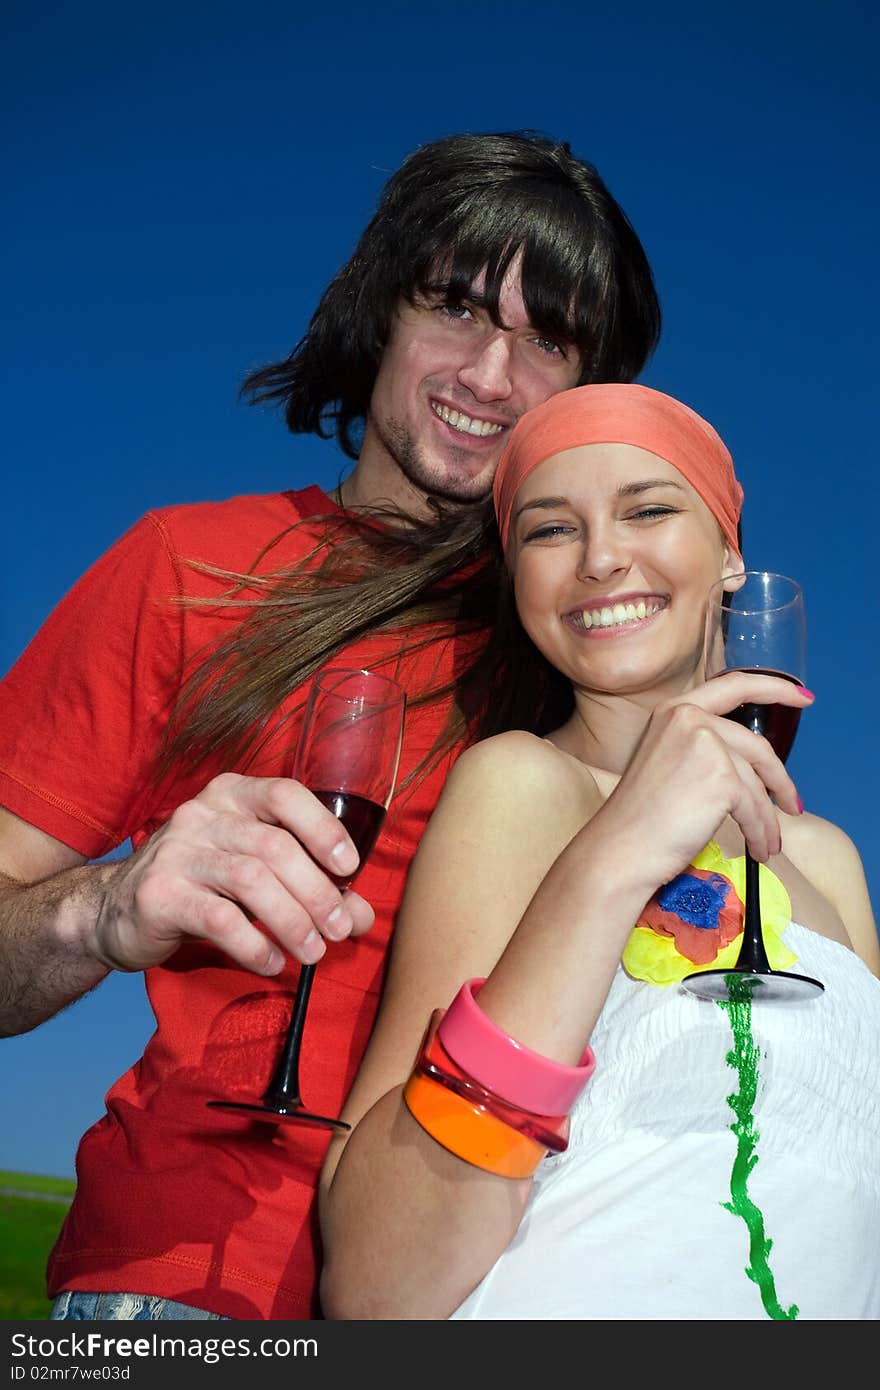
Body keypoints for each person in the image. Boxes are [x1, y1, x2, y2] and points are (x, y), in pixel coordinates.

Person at [0, 131, 662, 1321]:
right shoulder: (184, 567)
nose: (491, 375)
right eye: (456, 306)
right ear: (379, 313)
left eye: (547, 340)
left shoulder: (580, 637)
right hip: (191, 1291)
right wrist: (105, 907)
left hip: (521, 1282)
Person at [318, 383, 880, 1321]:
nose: (601, 558)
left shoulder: (826, 861)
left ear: (730, 557)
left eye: (650, 510)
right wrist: (612, 855)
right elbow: (376, 1287)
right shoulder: (519, 786)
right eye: (548, 530)